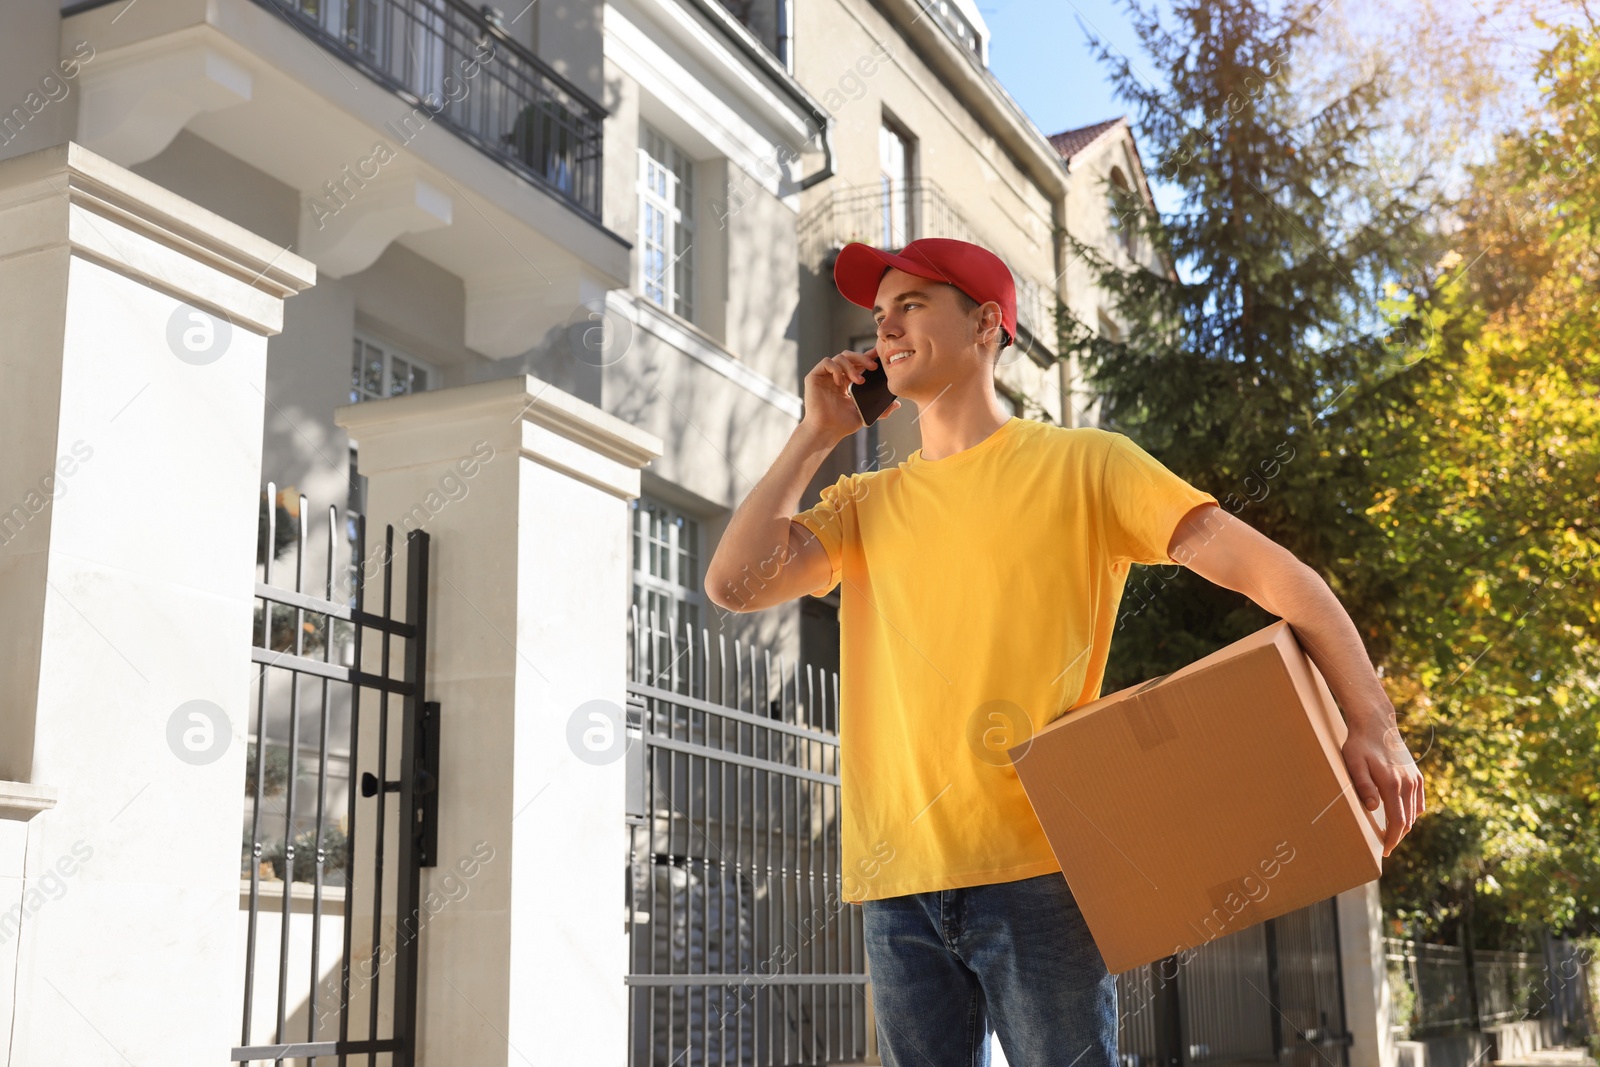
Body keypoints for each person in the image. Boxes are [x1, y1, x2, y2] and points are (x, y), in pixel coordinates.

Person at [703, 237, 1424, 1066]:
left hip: (1041, 873)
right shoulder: (864, 504)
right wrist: (815, 432)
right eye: (879, 315)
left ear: (985, 325)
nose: (886, 328)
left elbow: (1282, 577)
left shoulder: (1086, 465)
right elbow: (733, 584)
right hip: (895, 881)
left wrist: (1375, 722)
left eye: (911, 305)